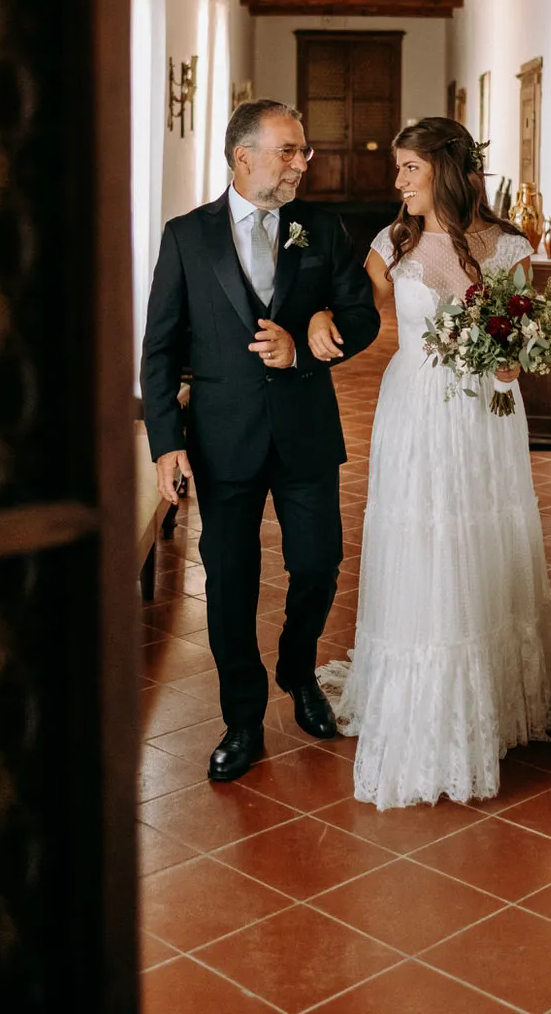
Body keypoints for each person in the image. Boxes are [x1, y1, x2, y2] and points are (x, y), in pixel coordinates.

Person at [311, 118, 551, 809]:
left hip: (486, 410)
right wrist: (314, 320)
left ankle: (492, 689)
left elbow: (519, 349)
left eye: (409, 170)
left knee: (483, 526)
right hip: (416, 405)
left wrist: (510, 356)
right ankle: (424, 697)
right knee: (424, 530)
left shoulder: (510, 246)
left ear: (446, 172)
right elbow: (352, 312)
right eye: (397, 168)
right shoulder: (387, 244)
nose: (396, 182)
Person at [141, 100, 380, 782]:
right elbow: (158, 349)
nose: (304, 162)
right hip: (221, 439)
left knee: (317, 563)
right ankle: (241, 719)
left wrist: (312, 343)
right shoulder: (187, 236)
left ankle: (298, 668)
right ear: (242, 155)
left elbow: (360, 316)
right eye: (289, 150)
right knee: (229, 583)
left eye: (302, 150)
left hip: (304, 428)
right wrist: (166, 442)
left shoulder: (319, 229)